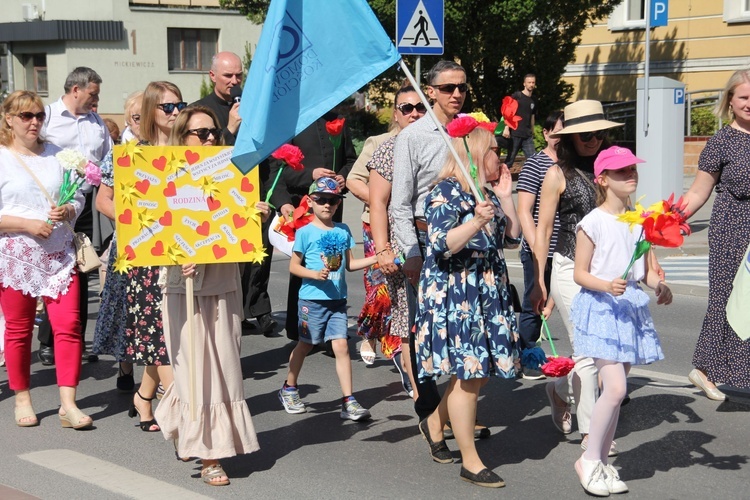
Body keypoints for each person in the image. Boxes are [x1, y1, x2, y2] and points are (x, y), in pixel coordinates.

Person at [154, 106, 262, 487]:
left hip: (222, 281)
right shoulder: (161, 174)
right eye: (201, 133)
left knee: (225, 368)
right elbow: (148, 227)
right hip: (180, 284)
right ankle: (209, 455)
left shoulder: (232, 172)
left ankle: (195, 434)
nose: (211, 138)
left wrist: (254, 212)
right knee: (191, 369)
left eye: (214, 132)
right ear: (183, 136)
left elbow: (236, 228)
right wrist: (173, 253)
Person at [415, 126, 520, 488]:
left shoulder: (484, 191)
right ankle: (470, 462)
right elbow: (441, 244)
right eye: (493, 150)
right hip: (456, 295)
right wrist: (476, 220)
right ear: (474, 154)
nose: (500, 158)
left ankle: (433, 422)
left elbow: (511, 238)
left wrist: (506, 199)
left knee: (477, 372)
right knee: (471, 373)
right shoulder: (444, 192)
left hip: (486, 293)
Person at [571, 146, 671, 495]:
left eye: (632, 170)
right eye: (621, 172)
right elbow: (580, 274)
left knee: (613, 395)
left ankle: (601, 461)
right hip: (600, 308)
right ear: (602, 179)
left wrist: (660, 285)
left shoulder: (640, 221)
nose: (631, 175)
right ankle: (589, 461)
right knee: (615, 389)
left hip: (628, 309)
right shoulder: (592, 222)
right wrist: (605, 284)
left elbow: (643, 272)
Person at [390, 60, 480, 431]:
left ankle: (457, 411)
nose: (456, 94)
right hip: (429, 240)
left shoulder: (473, 128)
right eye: (448, 88)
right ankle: (429, 409)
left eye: (461, 87)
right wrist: (412, 252)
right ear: (431, 92)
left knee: (465, 326)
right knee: (428, 327)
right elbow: (399, 202)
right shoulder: (413, 136)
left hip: (470, 239)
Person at [531, 100, 621, 445]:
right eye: (585, 133)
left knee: (605, 353)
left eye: (599, 133)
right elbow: (543, 229)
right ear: (570, 137)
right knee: (585, 349)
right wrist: (540, 278)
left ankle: (558, 388)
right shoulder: (556, 174)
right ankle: (591, 434)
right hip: (569, 268)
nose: (593, 139)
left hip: (604, 272)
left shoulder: (611, 169)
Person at [0, 90, 92, 429]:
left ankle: (68, 402)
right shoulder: (2, 157)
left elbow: (79, 194)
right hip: (16, 255)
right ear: (9, 118)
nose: (35, 121)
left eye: (39, 115)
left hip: (58, 254)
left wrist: (69, 208)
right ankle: (22, 396)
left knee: (68, 326)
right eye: (26, 116)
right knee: (19, 329)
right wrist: (25, 223)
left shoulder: (59, 155)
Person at [278, 177, 377, 421]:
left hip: (337, 300)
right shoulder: (305, 232)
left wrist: (377, 258)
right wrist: (313, 274)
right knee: (306, 344)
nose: (327, 205)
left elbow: (351, 265)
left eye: (332, 201)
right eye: (321, 200)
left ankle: (348, 400)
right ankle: (289, 388)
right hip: (311, 300)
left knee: (342, 346)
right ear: (310, 202)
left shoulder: (343, 230)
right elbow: (294, 266)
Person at [682, 68, 750, 399]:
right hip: (731, 229)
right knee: (727, 299)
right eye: (744, 97)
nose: (749, 103)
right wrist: (670, 219)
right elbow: (698, 191)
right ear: (730, 101)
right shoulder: (721, 141)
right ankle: (706, 369)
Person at [39, 66, 113, 365]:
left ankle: (76, 338)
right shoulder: (47, 117)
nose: (96, 101)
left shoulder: (96, 121)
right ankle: (48, 340)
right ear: (75, 90)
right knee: (55, 272)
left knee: (83, 268)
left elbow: (109, 156)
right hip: (56, 203)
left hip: (86, 203)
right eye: (92, 94)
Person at [360, 86, 427, 398]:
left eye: (420, 107)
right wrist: (384, 249)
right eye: (407, 108)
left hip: (441, 246)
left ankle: (450, 404)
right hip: (404, 247)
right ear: (396, 115)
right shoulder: (388, 150)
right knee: (409, 324)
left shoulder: (444, 144)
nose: (414, 113)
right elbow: (377, 204)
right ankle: (424, 399)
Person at [266, 112, 357, 340]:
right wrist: (310, 175)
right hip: (304, 208)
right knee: (305, 267)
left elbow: (350, 160)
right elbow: (277, 170)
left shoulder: (338, 118)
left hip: (332, 207)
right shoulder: (292, 121)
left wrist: (344, 177)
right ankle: (302, 329)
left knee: (333, 266)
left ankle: (331, 331)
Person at [123, 81, 182, 429]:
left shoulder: (190, 150)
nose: (175, 112)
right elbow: (118, 206)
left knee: (166, 337)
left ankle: (144, 395)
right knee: (160, 337)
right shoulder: (135, 155)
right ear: (150, 111)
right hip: (147, 256)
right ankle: (181, 414)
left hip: (184, 257)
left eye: (179, 105)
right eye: (167, 107)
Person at [516, 110, 563, 380]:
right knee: (535, 303)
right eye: (556, 132)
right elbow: (524, 211)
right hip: (538, 249)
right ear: (545, 134)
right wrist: (537, 249)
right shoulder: (535, 164)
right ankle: (529, 355)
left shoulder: (572, 164)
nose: (560, 138)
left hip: (567, 250)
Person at [190, 52, 243, 146]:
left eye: (238, 75)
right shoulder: (197, 111)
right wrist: (230, 130)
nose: (235, 81)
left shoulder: (252, 107)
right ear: (213, 76)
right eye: (228, 76)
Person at [503, 74, 537, 167]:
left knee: (533, 161)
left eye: (533, 82)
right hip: (515, 133)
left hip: (527, 135)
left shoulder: (533, 100)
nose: (531, 84)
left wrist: (532, 130)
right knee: (509, 161)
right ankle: (500, 180)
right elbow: (508, 112)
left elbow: (532, 116)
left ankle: (534, 180)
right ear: (524, 84)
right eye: (529, 82)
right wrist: (506, 128)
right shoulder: (517, 96)